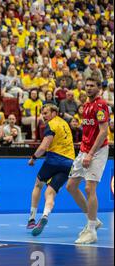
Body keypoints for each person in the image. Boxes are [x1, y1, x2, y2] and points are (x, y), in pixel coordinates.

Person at [66, 77, 109, 244]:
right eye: (87, 85)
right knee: (71, 186)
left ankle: (91, 230)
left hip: (97, 151)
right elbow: (89, 130)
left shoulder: (101, 105)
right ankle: (94, 220)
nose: (89, 88)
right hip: (84, 150)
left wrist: (90, 153)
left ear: (99, 88)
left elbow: (104, 131)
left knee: (90, 188)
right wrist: (84, 150)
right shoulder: (85, 106)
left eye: (92, 86)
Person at [26, 105, 75, 236]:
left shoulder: (51, 125)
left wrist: (33, 158)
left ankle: (31, 219)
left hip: (54, 159)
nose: (43, 115)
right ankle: (45, 215)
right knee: (50, 192)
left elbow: (44, 146)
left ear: (54, 112)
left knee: (38, 185)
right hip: (69, 162)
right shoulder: (65, 123)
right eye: (42, 113)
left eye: (46, 113)